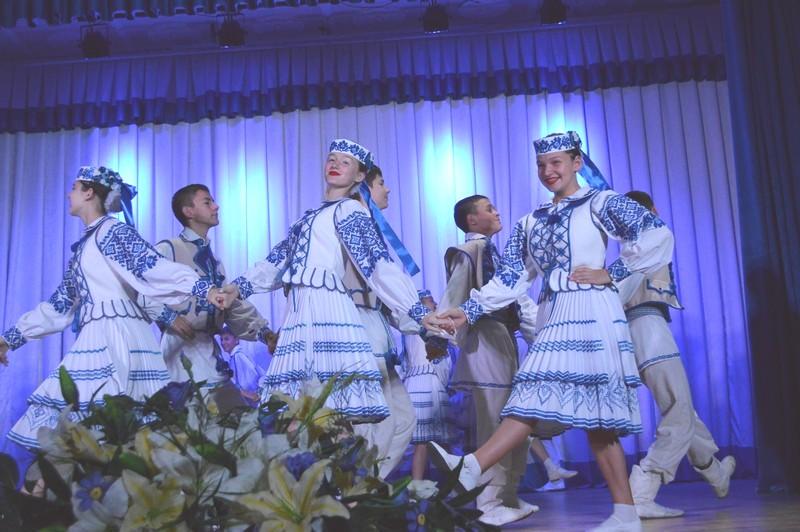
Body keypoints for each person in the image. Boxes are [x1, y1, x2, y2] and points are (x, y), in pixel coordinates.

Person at [424, 131, 675, 532]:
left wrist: (612, 272)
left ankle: (473, 466)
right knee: (569, 410)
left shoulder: (601, 202)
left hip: (591, 311)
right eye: (542, 164)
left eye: (556, 162)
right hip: (554, 312)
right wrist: (466, 312)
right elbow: (510, 279)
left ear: (577, 163)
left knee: (564, 406)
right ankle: (625, 514)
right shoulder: (530, 221)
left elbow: (656, 234)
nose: (548, 171)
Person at [213, 139, 433, 427]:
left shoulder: (350, 210)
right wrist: (238, 287)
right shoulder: (309, 218)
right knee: (303, 403)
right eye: (331, 159)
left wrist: (417, 312)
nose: (335, 165)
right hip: (300, 310)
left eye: (345, 162)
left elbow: (377, 265)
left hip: (327, 306)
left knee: (329, 400)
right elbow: (277, 261)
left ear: (359, 176)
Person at [0, 166, 219, 450]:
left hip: (119, 337)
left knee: (113, 425)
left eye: (74, 188)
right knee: (92, 430)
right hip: (98, 336)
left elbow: (152, 267)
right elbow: (60, 304)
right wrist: (9, 339)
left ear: (89, 193)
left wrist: (204, 288)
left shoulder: (112, 231)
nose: (69, 194)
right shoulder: (85, 245)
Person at [620, 190, 736, 519]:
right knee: (679, 411)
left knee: (682, 410)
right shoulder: (649, 240)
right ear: (652, 210)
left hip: (637, 332)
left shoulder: (630, 246)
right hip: (648, 329)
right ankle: (643, 489)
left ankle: (715, 472)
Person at [436, 194, 539, 527]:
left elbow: (517, 300)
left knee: (513, 418)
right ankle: (488, 502)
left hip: (503, 336)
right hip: (485, 337)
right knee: (495, 420)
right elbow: (453, 295)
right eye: (489, 209)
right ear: (472, 220)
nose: (497, 212)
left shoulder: (492, 251)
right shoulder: (469, 251)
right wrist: (438, 335)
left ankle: (507, 495)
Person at [150, 184, 273, 391]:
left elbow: (231, 306)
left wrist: (265, 334)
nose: (216, 207)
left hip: (208, 349)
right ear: (188, 211)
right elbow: (140, 288)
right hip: (179, 351)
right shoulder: (169, 249)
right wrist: (169, 317)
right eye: (207, 202)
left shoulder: (214, 261)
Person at [343, 165, 416, 478]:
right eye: (381, 183)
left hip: (376, 326)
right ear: (364, 188)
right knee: (375, 421)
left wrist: (421, 322)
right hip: (357, 327)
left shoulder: (369, 229)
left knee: (404, 420)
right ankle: (359, 488)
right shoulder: (348, 224)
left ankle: (369, 484)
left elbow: (386, 294)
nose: (387, 190)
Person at [401, 290, 453, 481]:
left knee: (436, 442)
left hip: (423, 382)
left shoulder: (410, 325)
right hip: (424, 383)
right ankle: (418, 485)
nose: (436, 303)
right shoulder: (422, 325)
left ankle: (447, 482)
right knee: (423, 442)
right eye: (431, 301)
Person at [219, 326, 264, 403]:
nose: (223, 343)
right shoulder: (239, 354)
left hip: (254, 400)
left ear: (236, 340)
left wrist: (250, 395)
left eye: (226, 339)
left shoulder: (237, 355)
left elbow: (248, 382)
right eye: (221, 339)